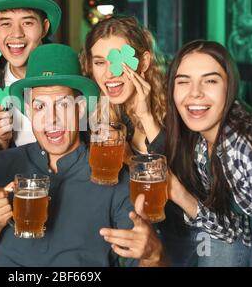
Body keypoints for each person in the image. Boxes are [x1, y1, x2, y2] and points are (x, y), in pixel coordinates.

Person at [0, 43, 166, 267]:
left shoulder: (114, 176)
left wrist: (152, 254)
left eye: (63, 105)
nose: (51, 119)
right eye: (40, 107)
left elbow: (144, 256)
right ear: (29, 111)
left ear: (81, 109)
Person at [80, 16, 194, 266]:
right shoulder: (95, 115)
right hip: (128, 236)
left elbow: (183, 181)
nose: (110, 73)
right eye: (100, 62)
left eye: (119, 60)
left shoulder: (179, 105)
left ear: (143, 61)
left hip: (185, 237)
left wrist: (145, 115)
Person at [165, 39, 252, 267]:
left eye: (210, 81)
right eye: (183, 82)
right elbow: (231, 230)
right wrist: (178, 193)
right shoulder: (202, 145)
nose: (195, 93)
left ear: (230, 87)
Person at [0, 0, 62, 150]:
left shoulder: (73, 75)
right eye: (6, 23)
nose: (16, 34)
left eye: (27, 22)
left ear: (44, 28)